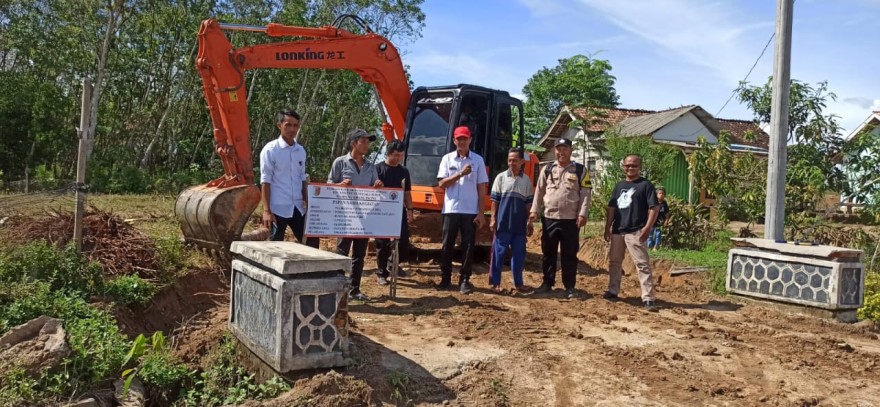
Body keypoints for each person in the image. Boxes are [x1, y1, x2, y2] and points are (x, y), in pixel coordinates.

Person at [530, 138, 591, 299]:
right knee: (548, 252)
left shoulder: (580, 170)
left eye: (565, 149)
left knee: (569, 254)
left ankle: (569, 286)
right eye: (558, 149)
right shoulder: (547, 169)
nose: (561, 152)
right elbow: (539, 191)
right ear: (554, 151)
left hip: (570, 219)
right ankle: (547, 283)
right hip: (550, 218)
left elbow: (585, 194)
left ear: (570, 151)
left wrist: (583, 213)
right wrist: (534, 210)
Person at [327, 128, 384, 301]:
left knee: (359, 254)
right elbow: (328, 185)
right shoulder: (340, 162)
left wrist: (378, 185)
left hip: (364, 217)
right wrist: (339, 185)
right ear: (354, 143)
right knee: (341, 252)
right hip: (345, 215)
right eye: (363, 142)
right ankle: (337, 289)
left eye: (368, 142)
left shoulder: (371, 166)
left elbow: (375, 187)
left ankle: (354, 289)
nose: (367, 145)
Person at [603, 154, 660, 312]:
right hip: (618, 231)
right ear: (623, 166)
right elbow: (612, 208)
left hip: (636, 231)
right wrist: (607, 227)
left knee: (642, 264)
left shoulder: (646, 185)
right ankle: (613, 290)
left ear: (640, 167)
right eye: (628, 165)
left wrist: (647, 228)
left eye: (634, 165)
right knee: (614, 262)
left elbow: (654, 208)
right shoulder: (619, 186)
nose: (630, 168)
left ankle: (648, 298)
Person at [436, 126, 489, 294]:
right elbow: (442, 184)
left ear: (470, 140)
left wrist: (481, 213)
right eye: (459, 139)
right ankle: (445, 278)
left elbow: (481, 188)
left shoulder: (478, 160)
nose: (462, 142)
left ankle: (465, 279)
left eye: (465, 138)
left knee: (468, 246)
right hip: (450, 209)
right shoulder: (447, 159)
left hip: (470, 210)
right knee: (447, 245)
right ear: (454, 141)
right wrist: (460, 174)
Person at [259, 109, 319, 248]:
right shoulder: (270, 150)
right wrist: (267, 211)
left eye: (295, 125)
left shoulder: (300, 151)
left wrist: (309, 203)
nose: (292, 129)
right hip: (277, 208)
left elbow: (302, 179)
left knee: (312, 243)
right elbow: (265, 181)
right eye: (288, 125)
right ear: (279, 125)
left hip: (297, 207)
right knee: (275, 248)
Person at [489, 148, 534, 293]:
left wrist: (529, 222)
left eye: (514, 160)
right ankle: (495, 283)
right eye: (509, 160)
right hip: (503, 223)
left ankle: (518, 284)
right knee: (498, 254)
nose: (511, 163)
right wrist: (493, 218)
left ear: (521, 162)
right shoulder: (501, 177)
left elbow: (528, 204)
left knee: (519, 255)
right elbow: (494, 200)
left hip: (519, 225)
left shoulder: (526, 180)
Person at [374, 140, 415, 286]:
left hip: (398, 211)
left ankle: (392, 264)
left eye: (401, 155)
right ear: (388, 154)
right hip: (381, 211)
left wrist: (410, 210)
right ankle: (381, 273)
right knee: (383, 243)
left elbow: (407, 193)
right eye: (396, 155)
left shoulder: (404, 172)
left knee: (403, 240)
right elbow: (370, 191)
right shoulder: (377, 169)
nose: (399, 158)